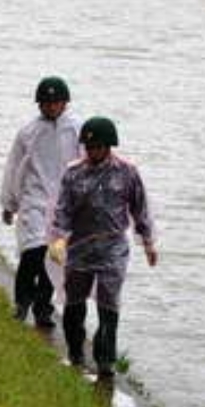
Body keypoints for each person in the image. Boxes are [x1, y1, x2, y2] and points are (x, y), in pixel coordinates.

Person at [49, 116, 158, 381]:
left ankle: (106, 360)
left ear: (109, 146)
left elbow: (140, 209)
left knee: (109, 303)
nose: (93, 152)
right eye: (89, 147)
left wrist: (148, 242)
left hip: (113, 248)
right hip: (80, 245)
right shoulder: (73, 173)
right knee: (74, 302)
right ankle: (75, 352)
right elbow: (62, 208)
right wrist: (58, 238)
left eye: (98, 147)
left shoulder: (127, 172)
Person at [0, 76, 83, 328]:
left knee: (55, 256)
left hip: (63, 203)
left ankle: (43, 307)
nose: (50, 107)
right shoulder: (28, 133)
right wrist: (9, 203)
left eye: (55, 102)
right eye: (45, 103)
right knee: (33, 252)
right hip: (34, 200)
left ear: (65, 103)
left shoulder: (77, 130)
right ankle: (22, 301)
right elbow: (14, 167)